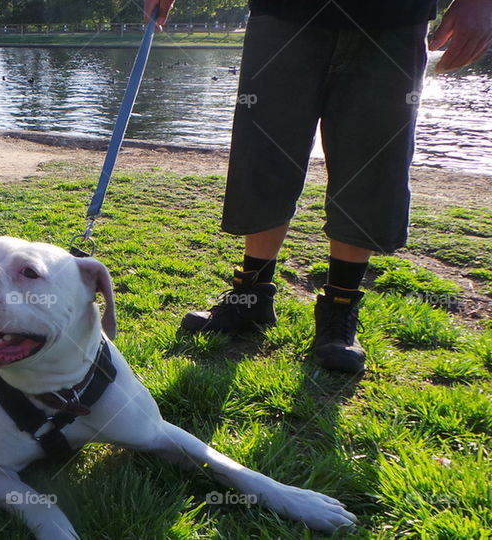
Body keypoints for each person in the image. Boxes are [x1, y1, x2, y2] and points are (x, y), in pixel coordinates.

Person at [144, 0, 492, 373]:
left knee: (371, 160)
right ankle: (251, 294)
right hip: (281, 13)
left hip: (393, 15)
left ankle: (340, 307)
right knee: (263, 152)